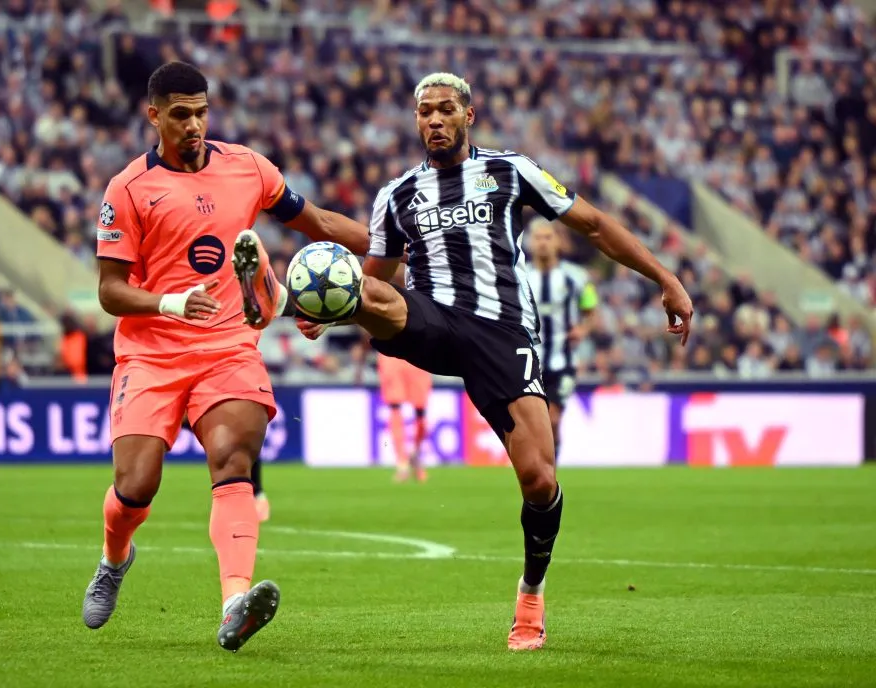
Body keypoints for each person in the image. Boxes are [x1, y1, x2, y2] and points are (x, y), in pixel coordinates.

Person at [235, 72, 693, 651]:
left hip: (504, 332)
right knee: (359, 282)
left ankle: (530, 591)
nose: (433, 120)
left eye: (445, 109)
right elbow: (375, 282)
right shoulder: (396, 196)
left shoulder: (512, 170)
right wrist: (335, 310)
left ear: (468, 115)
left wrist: (666, 278)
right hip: (433, 318)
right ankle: (275, 299)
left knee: (539, 479)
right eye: (424, 111)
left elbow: (595, 226)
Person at [84, 61, 368, 652]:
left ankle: (235, 601)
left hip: (227, 347)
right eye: (180, 114)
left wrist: (395, 246)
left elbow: (316, 222)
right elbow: (110, 291)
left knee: (232, 458)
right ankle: (114, 559)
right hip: (151, 353)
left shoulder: (248, 168)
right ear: (154, 115)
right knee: (135, 487)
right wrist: (167, 301)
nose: (193, 125)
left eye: (201, 112)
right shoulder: (128, 189)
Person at [527, 220, 598, 451]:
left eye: (548, 237)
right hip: (528, 362)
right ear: (530, 242)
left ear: (557, 242)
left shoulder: (576, 277)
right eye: (538, 237)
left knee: (553, 419)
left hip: (563, 361)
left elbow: (591, 310)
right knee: (534, 424)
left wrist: (583, 329)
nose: (543, 243)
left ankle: (549, 468)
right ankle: (543, 470)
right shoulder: (519, 277)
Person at [377, 349, 432, 482]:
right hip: (390, 351)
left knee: (420, 411)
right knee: (394, 406)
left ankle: (416, 454)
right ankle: (402, 462)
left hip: (417, 351)